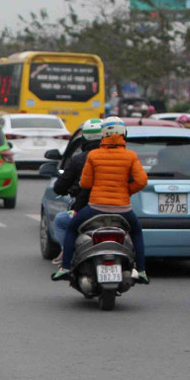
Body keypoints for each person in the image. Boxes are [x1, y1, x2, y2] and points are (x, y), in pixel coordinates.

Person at [54, 117, 150, 284]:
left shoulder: (94, 155)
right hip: (123, 209)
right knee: (136, 232)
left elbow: (85, 183)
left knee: (71, 228)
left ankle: (65, 267)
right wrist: (126, 191)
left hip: (95, 208)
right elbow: (142, 181)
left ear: (103, 134)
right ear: (124, 134)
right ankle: (141, 270)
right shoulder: (130, 156)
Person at [50, 119, 103, 264]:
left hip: (89, 208)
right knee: (135, 230)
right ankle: (140, 267)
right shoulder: (122, 157)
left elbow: (82, 187)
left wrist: (76, 189)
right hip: (120, 209)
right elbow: (137, 182)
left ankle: (68, 258)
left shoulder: (82, 159)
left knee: (62, 221)